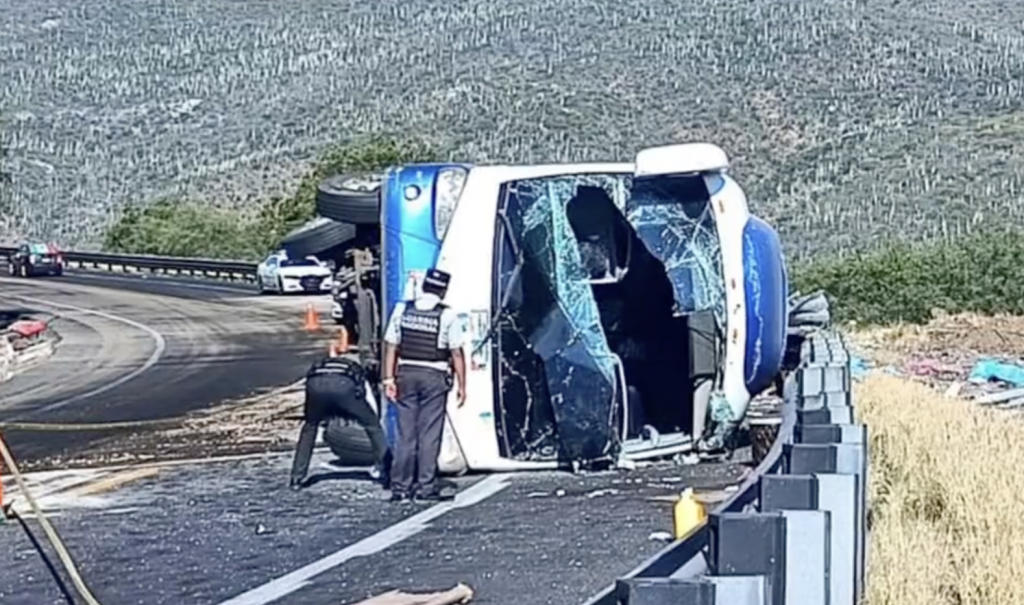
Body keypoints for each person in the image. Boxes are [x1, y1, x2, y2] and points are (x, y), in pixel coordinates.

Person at [381, 268, 467, 503]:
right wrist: (462, 386)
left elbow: (390, 345)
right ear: (443, 290)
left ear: (424, 286)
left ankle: (400, 488)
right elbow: (456, 353)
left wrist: (388, 378)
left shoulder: (403, 310)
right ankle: (425, 487)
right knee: (429, 434)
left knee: (405, 435)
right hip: (434, 376)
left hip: (405, 374)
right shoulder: (447, 315)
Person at [289, 329, 389, 491]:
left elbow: (309, 387)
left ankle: (296, 477)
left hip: (315, 385)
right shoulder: (355, 368)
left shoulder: (321, 364)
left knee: (309, 428)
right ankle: (386, 470)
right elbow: (366, 397)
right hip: (343, 387)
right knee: (373, 426)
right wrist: (369, 416)